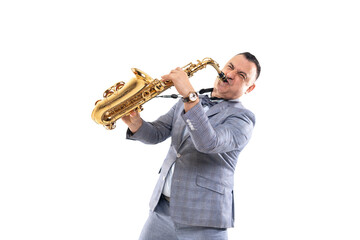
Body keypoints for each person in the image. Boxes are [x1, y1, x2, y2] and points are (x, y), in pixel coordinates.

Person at [122, 52, 261, 240]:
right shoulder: (189, 102)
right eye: (230, 66)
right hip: (161, 212)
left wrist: (189, 95)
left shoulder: (243, 119)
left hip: (204, 221)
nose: (230, 74)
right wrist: (135, 123)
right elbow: (157, 133)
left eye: (241, 75)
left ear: (249, 88)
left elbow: (208, 143)